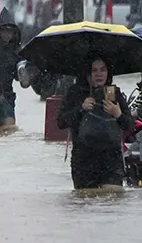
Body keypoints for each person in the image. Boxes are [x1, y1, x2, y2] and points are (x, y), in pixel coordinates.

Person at [57, 58, 135, 190]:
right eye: (94, 70)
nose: (99, 74)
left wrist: (118, 114)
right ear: (87, 74)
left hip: (112, 161)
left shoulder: (114, 93)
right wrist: (81, 108)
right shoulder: (75, 93)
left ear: (108, 73)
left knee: (111, 202)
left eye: (103, 70)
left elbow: (129, 126)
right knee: (87, 204)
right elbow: (61, 122)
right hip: (84, 162)